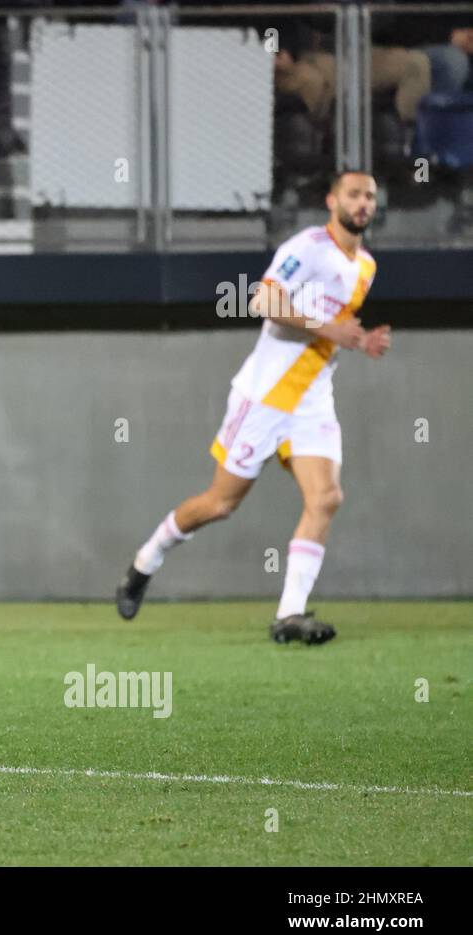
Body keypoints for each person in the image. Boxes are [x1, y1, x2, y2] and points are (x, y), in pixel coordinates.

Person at [116, 171, 391, 644]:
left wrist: (359, 339)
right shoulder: (305, 247)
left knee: (325, 498)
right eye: (354, 194)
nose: (363, 202)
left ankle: (290, 615)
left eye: (369, 195)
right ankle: (146, 561)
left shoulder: (365, 265)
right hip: (263, 398)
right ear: (332, 200)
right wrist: (330, 330)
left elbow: (333, 325)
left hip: (312, 399)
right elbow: (263, 299)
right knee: (220, 503)